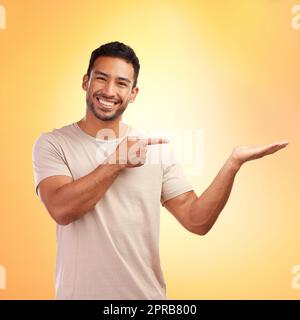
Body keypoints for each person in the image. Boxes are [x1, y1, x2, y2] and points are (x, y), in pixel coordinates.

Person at [32, 41, 288, 300]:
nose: (109, 91)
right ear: (86, 82)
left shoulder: (152, 149)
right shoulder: (54, 144)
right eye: (101, 79)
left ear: (133, 94)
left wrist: (233, 163)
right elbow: (61, 210)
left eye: (121, 83)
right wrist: (116, 162)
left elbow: (196, 220)